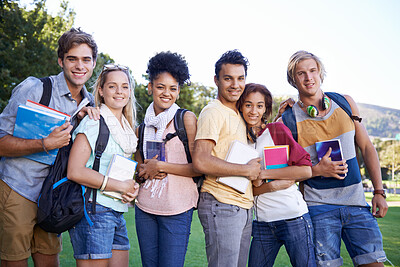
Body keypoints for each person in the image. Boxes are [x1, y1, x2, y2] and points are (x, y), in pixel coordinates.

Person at [0, 28, 99, 267]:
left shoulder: (91, 104)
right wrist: (45, 144)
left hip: (54, 198)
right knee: (14, 262)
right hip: (18, 188)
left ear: (94, 63)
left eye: (86, 59)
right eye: (72, 58)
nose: (79, 66)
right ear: (60, 61)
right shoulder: (36, 89)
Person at [278, 50, 388, 266]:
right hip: (319, 209)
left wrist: (379, 191)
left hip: (357, 204)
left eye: (312, 71)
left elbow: (366, 147)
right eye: (301, 73)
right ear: (293, 79)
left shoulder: (345, 102)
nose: (309, 78)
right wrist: (316, 170)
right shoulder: (287, 120)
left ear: (320, 73)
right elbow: (282, 170)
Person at [192, 50, 261, 267]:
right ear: (216, 80)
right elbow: (201, 161)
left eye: (240, 78)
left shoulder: (239, 114)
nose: (235, 85)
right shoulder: (214, 112)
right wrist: (244, 170)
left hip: (241, 206)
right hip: (221, 203)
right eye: (228, 78)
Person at [67, 63, 139, 266]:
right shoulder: (93, 121)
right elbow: (74, 171)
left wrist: (131, 188)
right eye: (112, 86)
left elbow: (118, 170)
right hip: (94, 210)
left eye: (125, 87)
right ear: (101, 90)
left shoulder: (127, 129)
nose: (119, 92)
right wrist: (119, 185)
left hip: (117, 211)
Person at [237, 83, 315, 267]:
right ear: (240, 106)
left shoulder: (276, 130)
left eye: (259, 105)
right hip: (262, 223)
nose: (253, 111)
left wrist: (262, 173)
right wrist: (270, 186)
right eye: (248, 105)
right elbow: (245, 190)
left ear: (265, 109)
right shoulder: (238, 141)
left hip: (294, 218)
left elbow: (305, 170)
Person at [134, 51, 200, 267]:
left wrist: (161, 166)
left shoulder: (186, 119)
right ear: (150, 86)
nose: (166, 93)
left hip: (177, 209)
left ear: (178, 91)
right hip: (145, 208)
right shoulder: (142, 129)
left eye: (173, 88)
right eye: (161, 87)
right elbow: (138, 169)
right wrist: (144, 171)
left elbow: (199, 168)